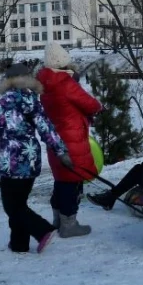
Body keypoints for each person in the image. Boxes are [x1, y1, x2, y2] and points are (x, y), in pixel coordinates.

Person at [0, 63, 70, 254]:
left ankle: (43, 230)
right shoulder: (33, 101)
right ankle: (18, 244)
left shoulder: (5, 103)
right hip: (31, 159)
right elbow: (46, 128)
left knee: (12, 207)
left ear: (8, 82)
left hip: (11, 161)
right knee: (19, 205)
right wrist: (61, 151)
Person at [36, 44, 102, 237]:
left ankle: (58, 220)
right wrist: (98, 108)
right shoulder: (64, 82)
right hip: (71, 139)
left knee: (62, 179)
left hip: (55, 139)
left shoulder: (45, 83)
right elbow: (89, 103)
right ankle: (69, 225)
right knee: (71, 181)